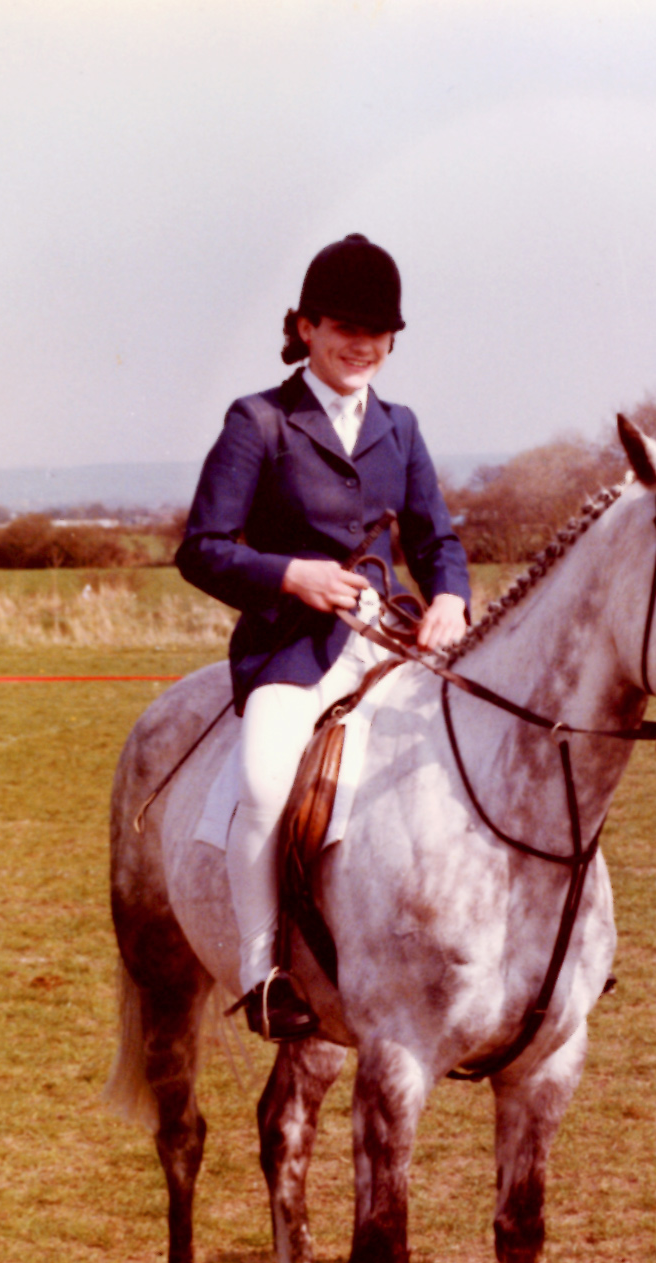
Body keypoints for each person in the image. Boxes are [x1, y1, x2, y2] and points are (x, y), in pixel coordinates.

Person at [177, 234, 470, 1039]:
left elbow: (436, 539)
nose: (363, 345)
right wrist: (290, 575)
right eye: (345, 326)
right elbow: (202, 547)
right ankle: (262, 968)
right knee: (267, 785)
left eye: (379, 331)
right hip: (293, 647)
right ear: (305, 326)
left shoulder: (400, 427)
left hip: (393, 640)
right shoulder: (260, 421)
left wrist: (450, 597)